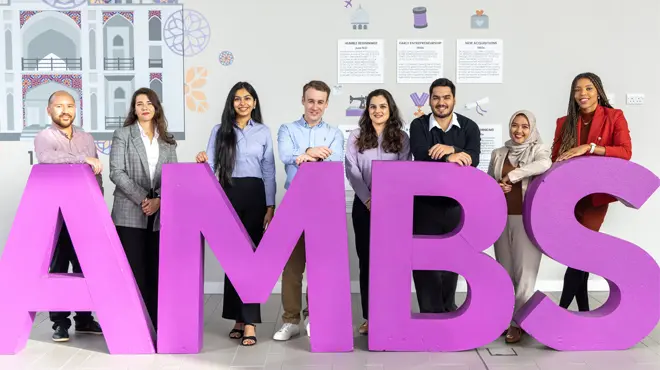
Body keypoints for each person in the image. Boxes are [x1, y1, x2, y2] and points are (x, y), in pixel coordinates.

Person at [195, 81, 275, 346]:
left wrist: (270, 205)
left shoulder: (263, 131)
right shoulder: (219, 131)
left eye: (248, 98)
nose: (243, 103)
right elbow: (211, 162)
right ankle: (238, 319)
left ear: (254, 102)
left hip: (255, 195)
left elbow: (268, 170)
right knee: (233, 259)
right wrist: (201, 160)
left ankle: (250, 322)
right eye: (237, 99)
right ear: (231, 103)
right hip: (227, 193)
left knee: (252, 258)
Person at [552, 72, 632, 311]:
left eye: (588, 88)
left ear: (598, 91)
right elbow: (556, 157)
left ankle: (562, 309)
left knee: (580, 250)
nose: (582, 94)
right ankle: (584, 310)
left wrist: (590, 147)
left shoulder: (614, 116)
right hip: (569, 196)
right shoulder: (563, 122)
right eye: (578, 89)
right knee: (579, 253)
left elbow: (625, 152)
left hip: (595, 197)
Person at [273, 80, 344, 341]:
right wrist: (308, 152)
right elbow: (285, 154)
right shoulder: (287, 129)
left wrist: (305, 156)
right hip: (294, 204)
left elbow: (336, 161)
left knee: (319, 266)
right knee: (292, 268)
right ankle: (291, 320)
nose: (315, 106)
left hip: (323, 207)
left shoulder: (335, 133)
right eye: (310, 100)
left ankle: (315, 316)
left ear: (326, 104)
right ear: (303, 100)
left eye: (320, 102)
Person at [33, 90, 104, 342]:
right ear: (49, 110)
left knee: (86, 266)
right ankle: (59, 323)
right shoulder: (44, 137)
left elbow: (96, 175)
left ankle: (84, 319)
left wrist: (99, 206)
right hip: (58, 216)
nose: (65, 111)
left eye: (70, 106)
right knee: (59, 268)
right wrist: (82, 158)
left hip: (85, 213)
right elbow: (47, 158)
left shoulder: (86, 137)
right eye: (59, 106)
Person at [408, 77, 481, 314]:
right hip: (425, 206)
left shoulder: (470, 127)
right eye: (436, 97)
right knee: (424, 262)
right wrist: (451, 158)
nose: (441, 102)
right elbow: (420, 155)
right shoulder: (418, 126)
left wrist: (453, 149)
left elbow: (474, 158)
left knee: (452, 261)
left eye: (446, 97)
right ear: (430, 99)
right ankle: (430, 312)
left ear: (454, 100)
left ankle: (448, 310)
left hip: (456, 205)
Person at [109, 87, 178, 332]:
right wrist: (143, 198)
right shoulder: (123, 135)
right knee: (132, 271)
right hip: (129, 212)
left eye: (149, 103)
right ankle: (133, 327)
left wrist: (158, 199)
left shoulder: (168, 142)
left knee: (156, 271)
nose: (145, 107)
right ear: (134, 109)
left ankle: (156, 326)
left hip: (159, 215)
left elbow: (173, 177)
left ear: (156, 107)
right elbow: (116, 172)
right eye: (139, 104)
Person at [345, 89, 411, 335]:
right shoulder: (356, 137)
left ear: (390, 109)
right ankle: (369, 317)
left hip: (394, 210)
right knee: (368, 263)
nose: (378, 111)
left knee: (392, 263)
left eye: (382, 106)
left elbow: (404, 171)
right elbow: (351, 170)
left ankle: (391, 315)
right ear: (367, 110)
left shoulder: (402, 139)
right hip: (364, 208)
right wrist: (368, 198)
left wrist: (386, 201)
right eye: (373, 106)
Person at [487, 110, 551, 343]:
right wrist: (497, 186)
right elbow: (488, 184)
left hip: (527, 219)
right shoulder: (498, 153)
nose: (519, 131)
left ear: (531, 128)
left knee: (525, 274)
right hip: (501, 219)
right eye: (515, 125)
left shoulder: (539, 150)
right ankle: (505, 319)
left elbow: (545, 164)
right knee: (504, 272)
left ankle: (518, 323)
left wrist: (513, 176)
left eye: (525, 126)